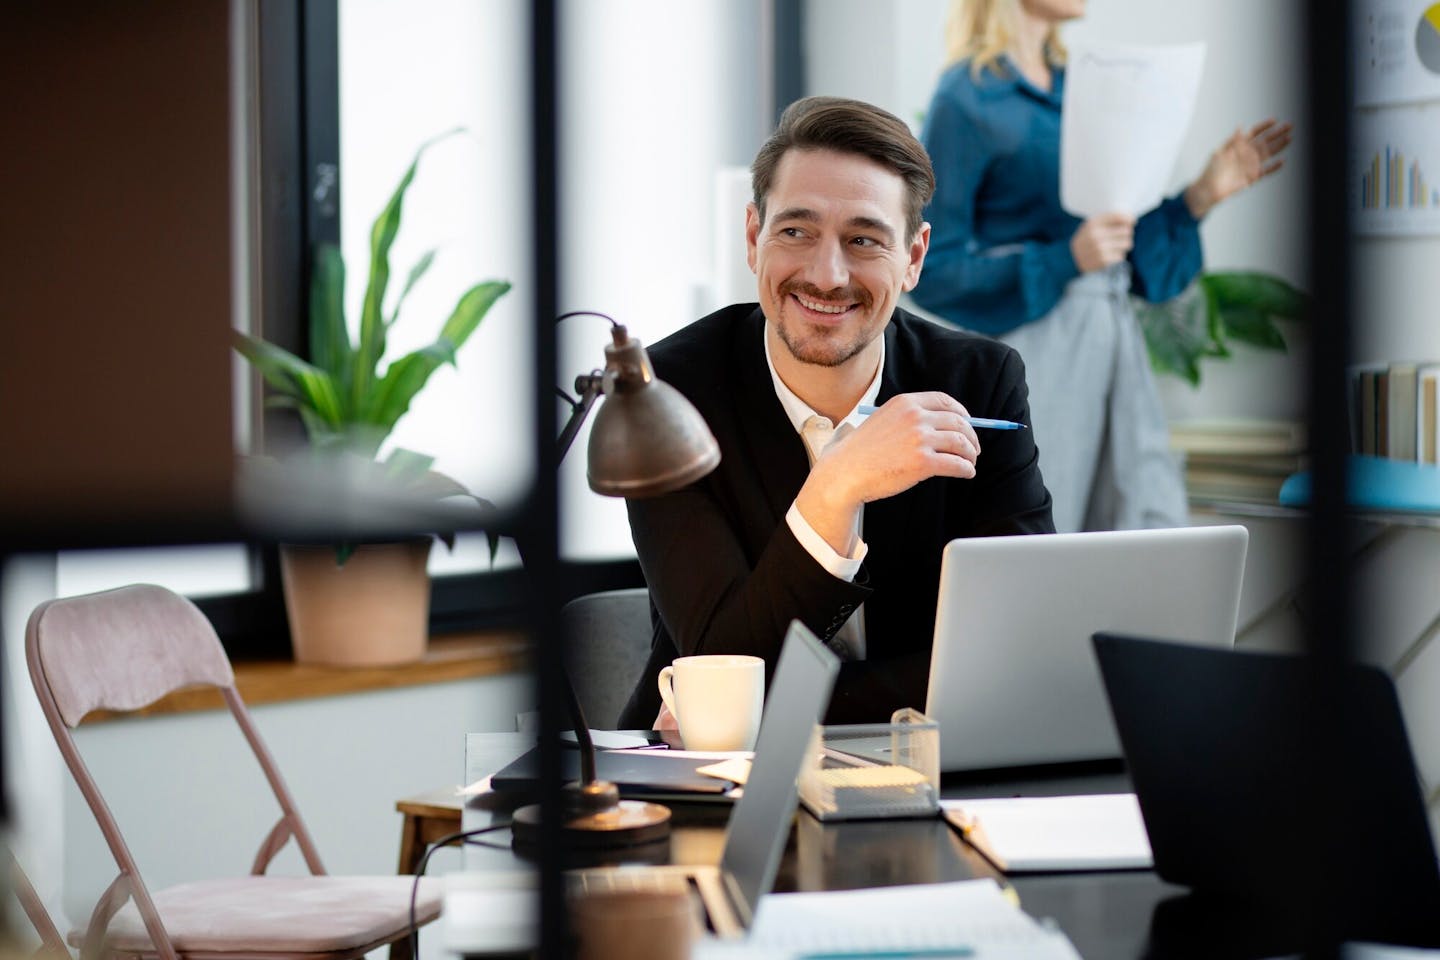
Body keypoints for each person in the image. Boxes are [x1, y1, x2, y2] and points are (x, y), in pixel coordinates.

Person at [616, 96, 1055, 728]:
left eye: (864, 240)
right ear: (752, 237)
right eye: (795, 231)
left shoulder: (980, 383)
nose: (826, 274)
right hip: (705, 777)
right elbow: (720, 659)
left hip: (926, 765)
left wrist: (783, 703)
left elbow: (1012, 651)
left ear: (914, 257)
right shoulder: (668, 392)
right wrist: (838, 483)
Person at [909, 0, 1292, 534]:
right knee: (1041, 528)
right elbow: (933, 265)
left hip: (1112, 346)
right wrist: (1065, 259)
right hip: (1035, 360)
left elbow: (1136, 265)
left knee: (1140, 528)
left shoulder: (1084, 90)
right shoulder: (966, 96)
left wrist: (1200, 196)